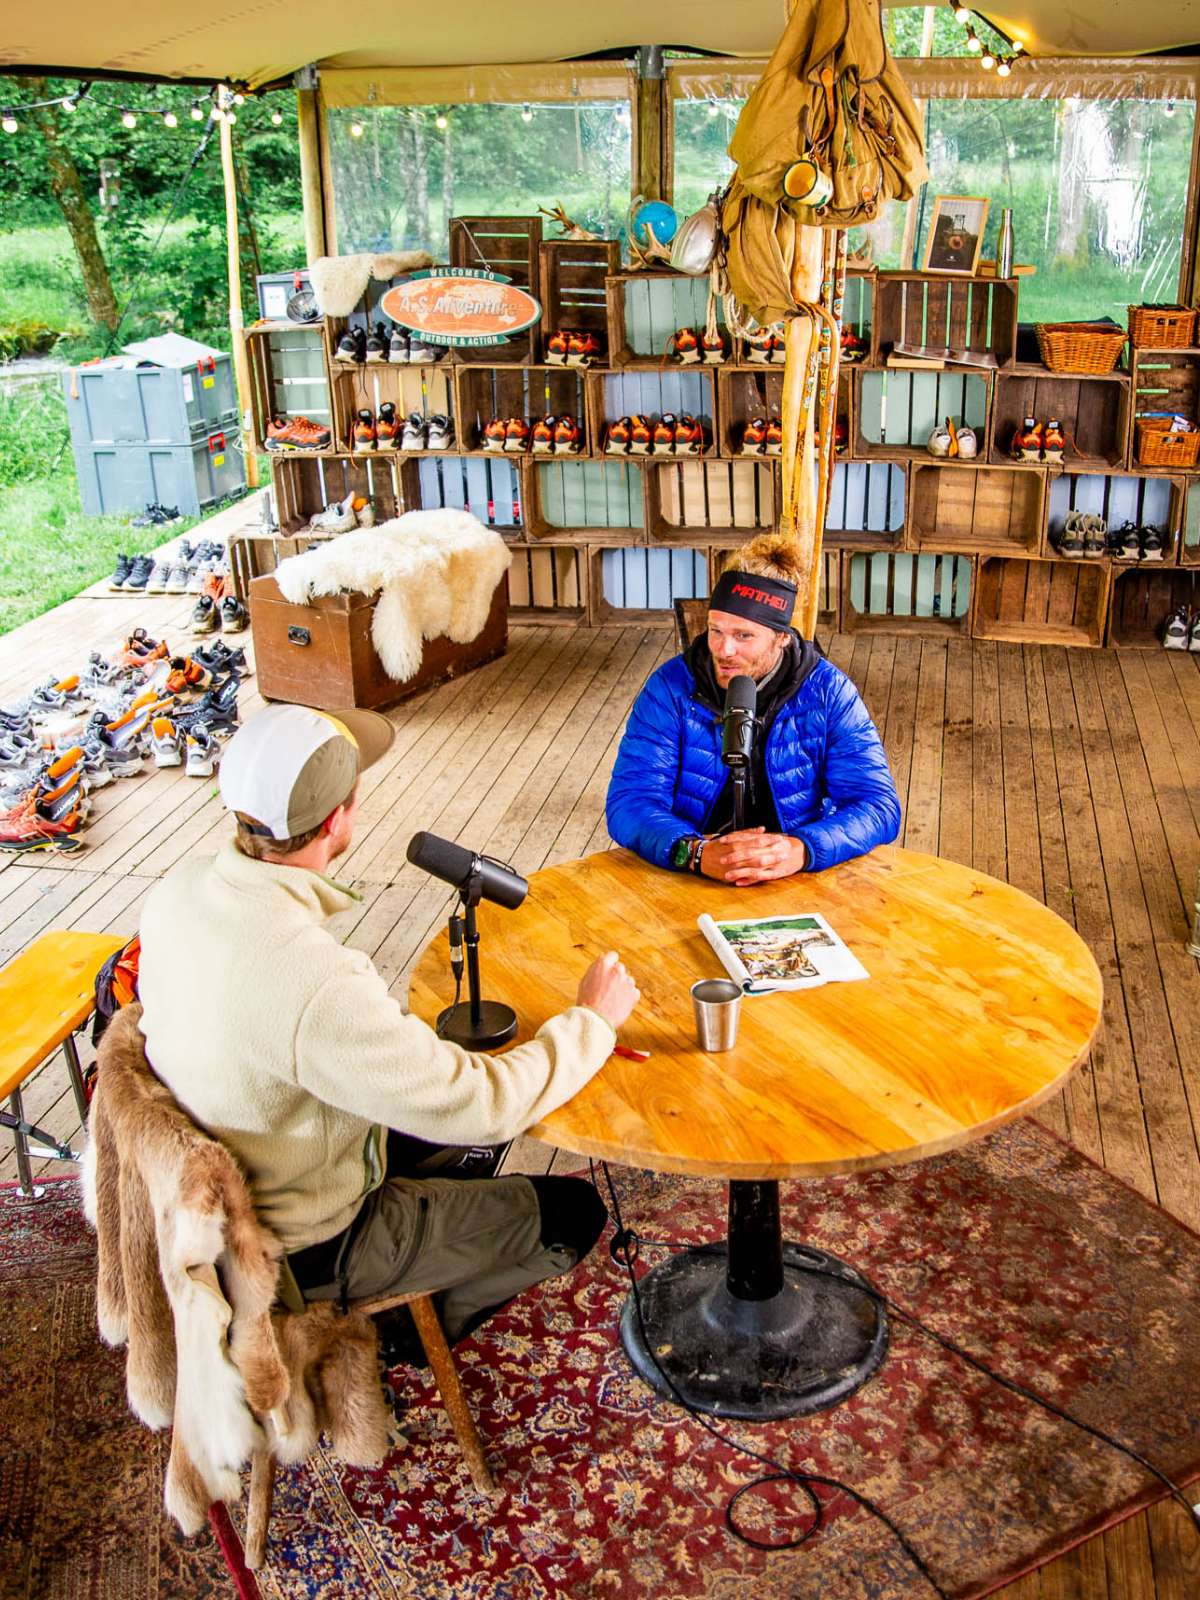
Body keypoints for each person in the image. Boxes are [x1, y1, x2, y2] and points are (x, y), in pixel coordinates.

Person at [137, 702, 639, 1357]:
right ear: (338, 819)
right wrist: (592, 1021)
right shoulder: (312, 979)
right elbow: (482, 1105)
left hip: (234, 1182)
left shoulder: (177, 890)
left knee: (466, 1145)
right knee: (572, 1213)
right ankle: (402, 1335)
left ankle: (428, 1250)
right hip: (305, 1246)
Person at [606, 533, 900, 884]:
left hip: (793, 874)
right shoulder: (669, 688)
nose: (724, 650)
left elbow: (877, 805)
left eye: (744, 636)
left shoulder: (828, 692)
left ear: (782, 637)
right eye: (716, 630)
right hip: (691, 872)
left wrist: (802, 849)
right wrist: (694, 852)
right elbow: (630, 801)